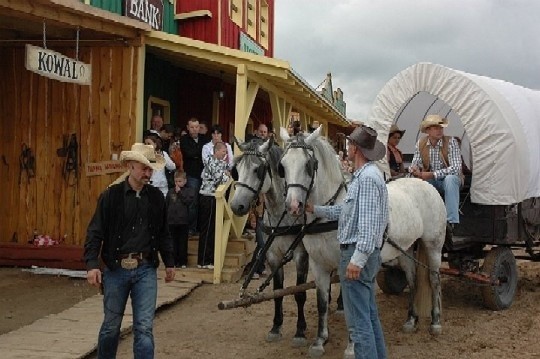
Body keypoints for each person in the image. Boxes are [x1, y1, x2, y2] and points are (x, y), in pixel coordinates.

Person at [84, 143, 176, 359]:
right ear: (130, 166)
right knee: (110, 326)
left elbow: (164, 232)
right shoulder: (110, 196)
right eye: (143, 168)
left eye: (150, 168)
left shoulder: (155, 197)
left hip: (145, 268)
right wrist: (92, 265)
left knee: (144, 328)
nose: (148, 172)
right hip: (116, 268)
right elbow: (95, 231)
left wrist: (170, 262)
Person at [307, 125, 388, 359]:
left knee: (358, 324)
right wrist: (317, 209)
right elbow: (347, 211)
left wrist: (357, 259)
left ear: (356, 148)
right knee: (369, 316)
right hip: (357, 254)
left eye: (350, 144)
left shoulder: (368, 179)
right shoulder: (362, 177)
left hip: (356, 255)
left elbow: (370, 224)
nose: (347, 147)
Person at [409, 114, 462, 232]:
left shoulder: (451, 142)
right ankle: (421, 218)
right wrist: (414, 170)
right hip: (432, 180)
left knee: (450, 179)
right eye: (436, 128)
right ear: (428, 130)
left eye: (441, 128)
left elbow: (456, 168)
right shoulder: (421, 143)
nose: (440, 130)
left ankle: (451, 221)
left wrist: (432, 174)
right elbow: (415, 163)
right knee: (418, 183)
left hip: (450, 181)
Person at [198, 141, 230, 269]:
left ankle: (209, 259)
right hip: (208, 196)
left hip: (215, 197)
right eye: (223, 151)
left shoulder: (222, 163)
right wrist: (226, 175)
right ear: (216, 151)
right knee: (207, 229)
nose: (225, 154)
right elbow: (218, 177)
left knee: (213, 229)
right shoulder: (210, 161)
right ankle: (204, 260)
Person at [180, 118, 205, 235]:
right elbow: (188, 153)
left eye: (197, 127)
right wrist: (200, 153)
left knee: (203, 202)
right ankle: (191, 228)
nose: (195, 129)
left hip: (204, 175)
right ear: (188, 127)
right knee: (192, 202)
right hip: (191, 175)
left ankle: (201, 228)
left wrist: (197, 154)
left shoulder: (205, 139)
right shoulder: (184, 139)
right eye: (192, 127)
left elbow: (206, 154)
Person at [166, 170, 196, 268]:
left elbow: (188, 202)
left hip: (183, 221)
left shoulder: (189, 191)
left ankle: (183, 261)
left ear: (185, 181)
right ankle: (174, 261)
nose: (178, 184)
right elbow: (167, 204)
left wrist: (180, 193)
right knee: (173, 242)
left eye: (180, 181)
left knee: (182, 242)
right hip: (172, 221)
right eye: (176, 181)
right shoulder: (170, 191)